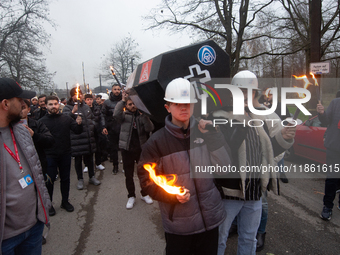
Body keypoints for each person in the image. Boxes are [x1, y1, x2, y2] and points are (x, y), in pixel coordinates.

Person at [137, 78, 232, 255]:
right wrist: (172, 195)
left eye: (188, 103)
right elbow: (146, 182)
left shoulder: (207, 132)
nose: (184, 108)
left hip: (210, 221)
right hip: (179, 226)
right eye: (177, 104)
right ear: (168, 107)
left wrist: (212, 136)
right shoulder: (155, 143)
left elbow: (225, 168)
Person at [212, 71, 296, 255]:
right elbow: (226, 152)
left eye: (249, 92)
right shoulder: (221, 116)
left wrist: (283, 138)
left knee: (249, 239)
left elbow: (266, 152)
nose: (244, 95)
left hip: (255, 192)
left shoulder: (259, 119)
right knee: (219, 238)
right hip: (229, 194)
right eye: (240, 91)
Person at [0, 78, 51, 254]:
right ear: (5, 104)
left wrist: (42, 215)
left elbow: (36, 173)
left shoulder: (22, 131)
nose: (24, 104)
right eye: (19, 100)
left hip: (34, 228)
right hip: (5, 239)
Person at [40, 96, 83, 216]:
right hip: (50, 155)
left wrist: (79, 124)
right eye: (50, 104)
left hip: (65, 153)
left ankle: (65, 201)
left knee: (65, 179)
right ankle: (49, 204)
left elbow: (77, 131)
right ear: (46, 106)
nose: (53, 106)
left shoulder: (66, 118)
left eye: (55, 104)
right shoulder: (42, 121)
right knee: (50, 181)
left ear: (58, 104)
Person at [114, 90, 154, 209]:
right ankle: (131, 196)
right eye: (130, 104)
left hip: (140, 149)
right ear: (126, 105)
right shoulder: (123, 116)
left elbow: (150, 128)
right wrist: (122, 100)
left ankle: (145, 193)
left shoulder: (141, 116)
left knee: (143, 174)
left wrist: (145, 117)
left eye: (134, 104)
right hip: (126, 149)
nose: (132, 106)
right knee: (129, 174)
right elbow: (116, 114)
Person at [63, 88, 101, 190]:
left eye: (80, 94)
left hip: (88, 138)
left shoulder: (85, 106)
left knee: (89, 159)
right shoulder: (67, 107)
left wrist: (92, 125)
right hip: (77, 139)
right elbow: (65, 121)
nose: (79, 96)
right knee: (78, 160)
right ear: (72, 96)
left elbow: (92, 118)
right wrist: (72, 112)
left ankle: (92, 177)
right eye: (77, 94)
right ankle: (80, 179)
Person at [317, 98, 340, 221]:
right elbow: (326, 121)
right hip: (335, 147)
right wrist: (322, 113)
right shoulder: (336, 102)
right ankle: (327, 206)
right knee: (332, 177)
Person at [102, 84, 122, 174]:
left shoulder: (123, 101)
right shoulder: (107, 102)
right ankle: (115, 165)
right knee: (113, 148)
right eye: (115, 89)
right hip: (111, 127)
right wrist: (104, 126)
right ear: (112, 90)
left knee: (123, 148)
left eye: (118, 89)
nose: (117, 91)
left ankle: (125, 165)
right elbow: (103, 115)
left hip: (122, 126)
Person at [84, 94, 105, 171]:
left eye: (91, 99)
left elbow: (101, 117)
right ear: (85, 100)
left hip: (96, 130)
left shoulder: (96, 108)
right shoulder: (83, 109)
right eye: (88, 100)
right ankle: (87, 165)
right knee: (87, 149)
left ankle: (98, 163)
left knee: (98, 148)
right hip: (87, 132)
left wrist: (103, 126)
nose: (89, 101)